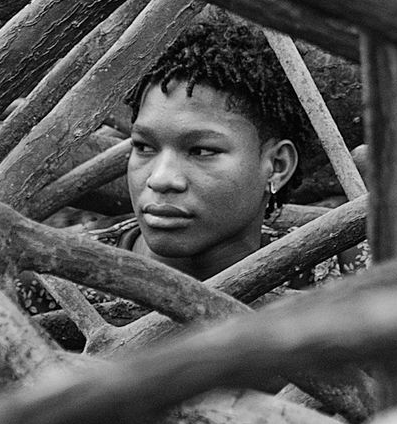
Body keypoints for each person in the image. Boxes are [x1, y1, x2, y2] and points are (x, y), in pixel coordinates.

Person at [118, 22, 310, 281]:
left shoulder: (341, 278)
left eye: (201, 151)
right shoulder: (59, 276)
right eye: (143, 147)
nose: (160, 179)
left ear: (277, 166)